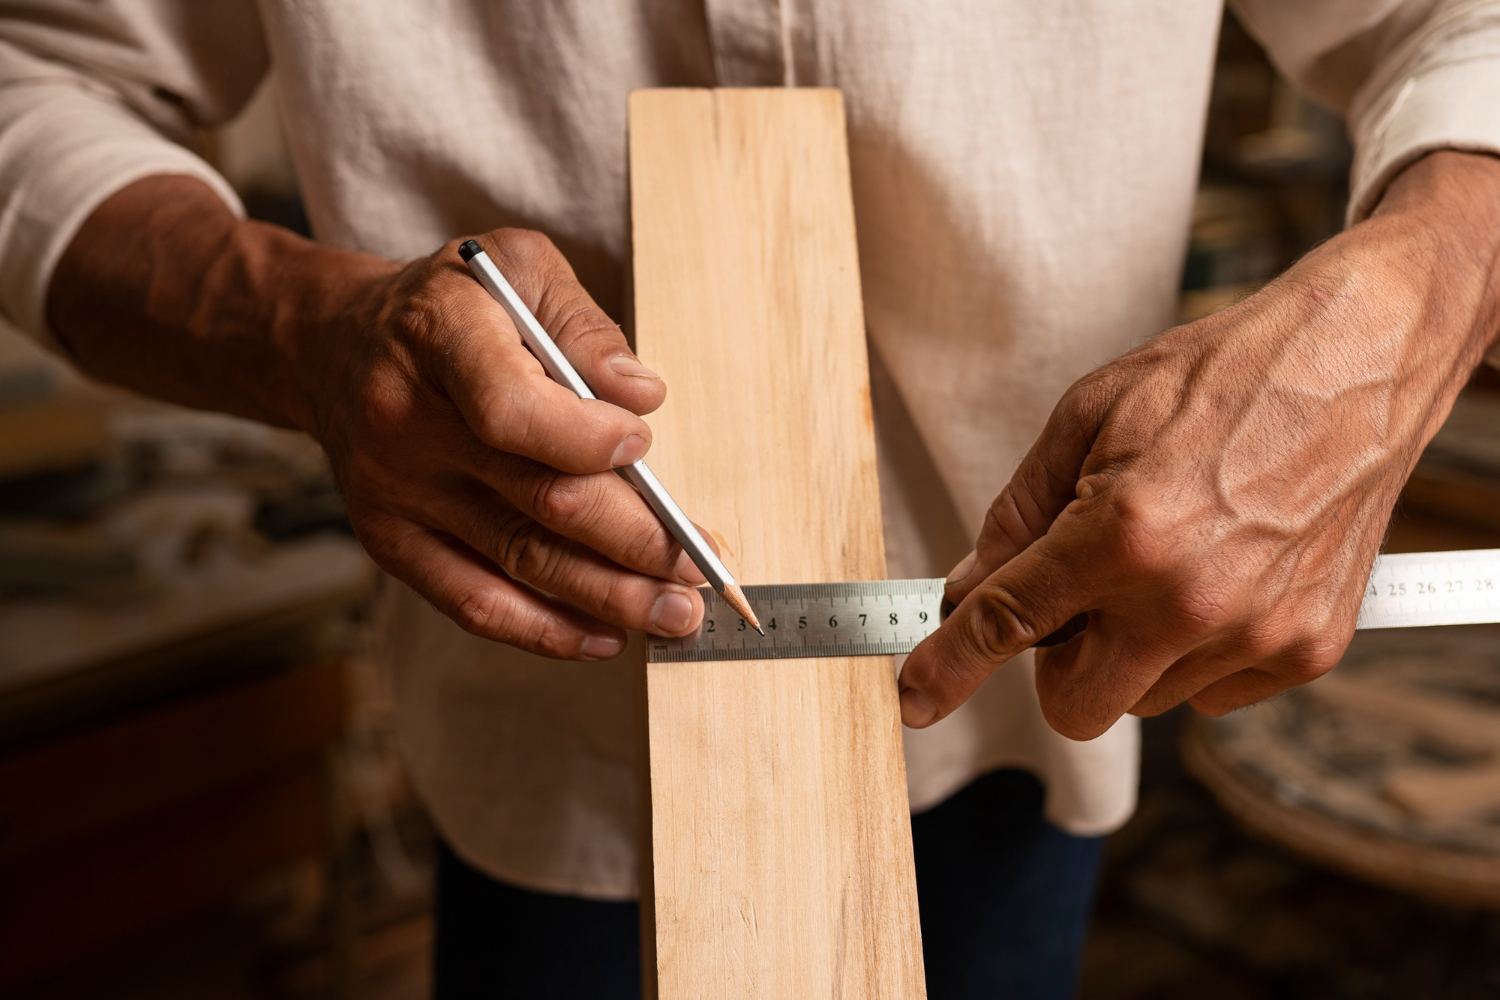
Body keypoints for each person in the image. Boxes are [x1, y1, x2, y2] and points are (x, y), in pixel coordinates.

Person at [3, 2, 1497, 997]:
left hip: (1040, 716)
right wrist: (302, 331)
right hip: (547, 717)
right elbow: (32, 73)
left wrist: (1396, 334)